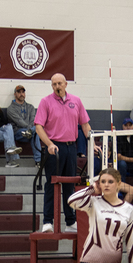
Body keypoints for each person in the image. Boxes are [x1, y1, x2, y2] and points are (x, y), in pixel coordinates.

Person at [35, 73, 94, 233]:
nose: (57, 87)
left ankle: (70, 221)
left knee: (70, 184)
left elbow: (85, 124)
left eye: (59, 83)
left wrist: (92, 143)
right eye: (54, 84)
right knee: (52, 184)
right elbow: (38, 126)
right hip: (54, 147)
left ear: (66, 84)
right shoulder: (45, 102)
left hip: (71, 147)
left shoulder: (76, 101)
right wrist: (49, 144)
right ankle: (48, 221)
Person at [6, 85, 42, 169]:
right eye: (19, 92)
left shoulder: (31, 107)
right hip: (18, 133)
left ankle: (38, 161)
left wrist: (30, 130)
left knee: (35, 132)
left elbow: (33, 120)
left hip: (30, 133)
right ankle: (39, 160)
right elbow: (19, 121)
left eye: (23, 92)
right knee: (36, 130)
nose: (21, 94)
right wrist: (30, 129)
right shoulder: (10, 108)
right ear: (15, 94)